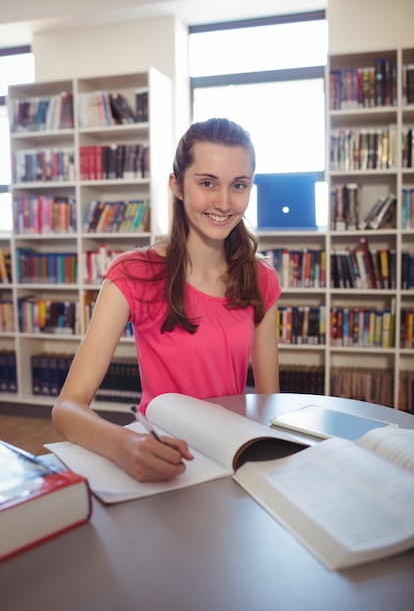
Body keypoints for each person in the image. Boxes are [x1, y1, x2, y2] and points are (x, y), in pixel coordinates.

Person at [52, 117, 281, 483]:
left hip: (232, 456)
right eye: (207, 183)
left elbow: (270, 401)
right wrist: (122, 444)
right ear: (177, 185)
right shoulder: (133, 274)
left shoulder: (260, 277)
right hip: (159, 453)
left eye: (238, 185)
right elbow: (66, 408)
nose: (224, 203)